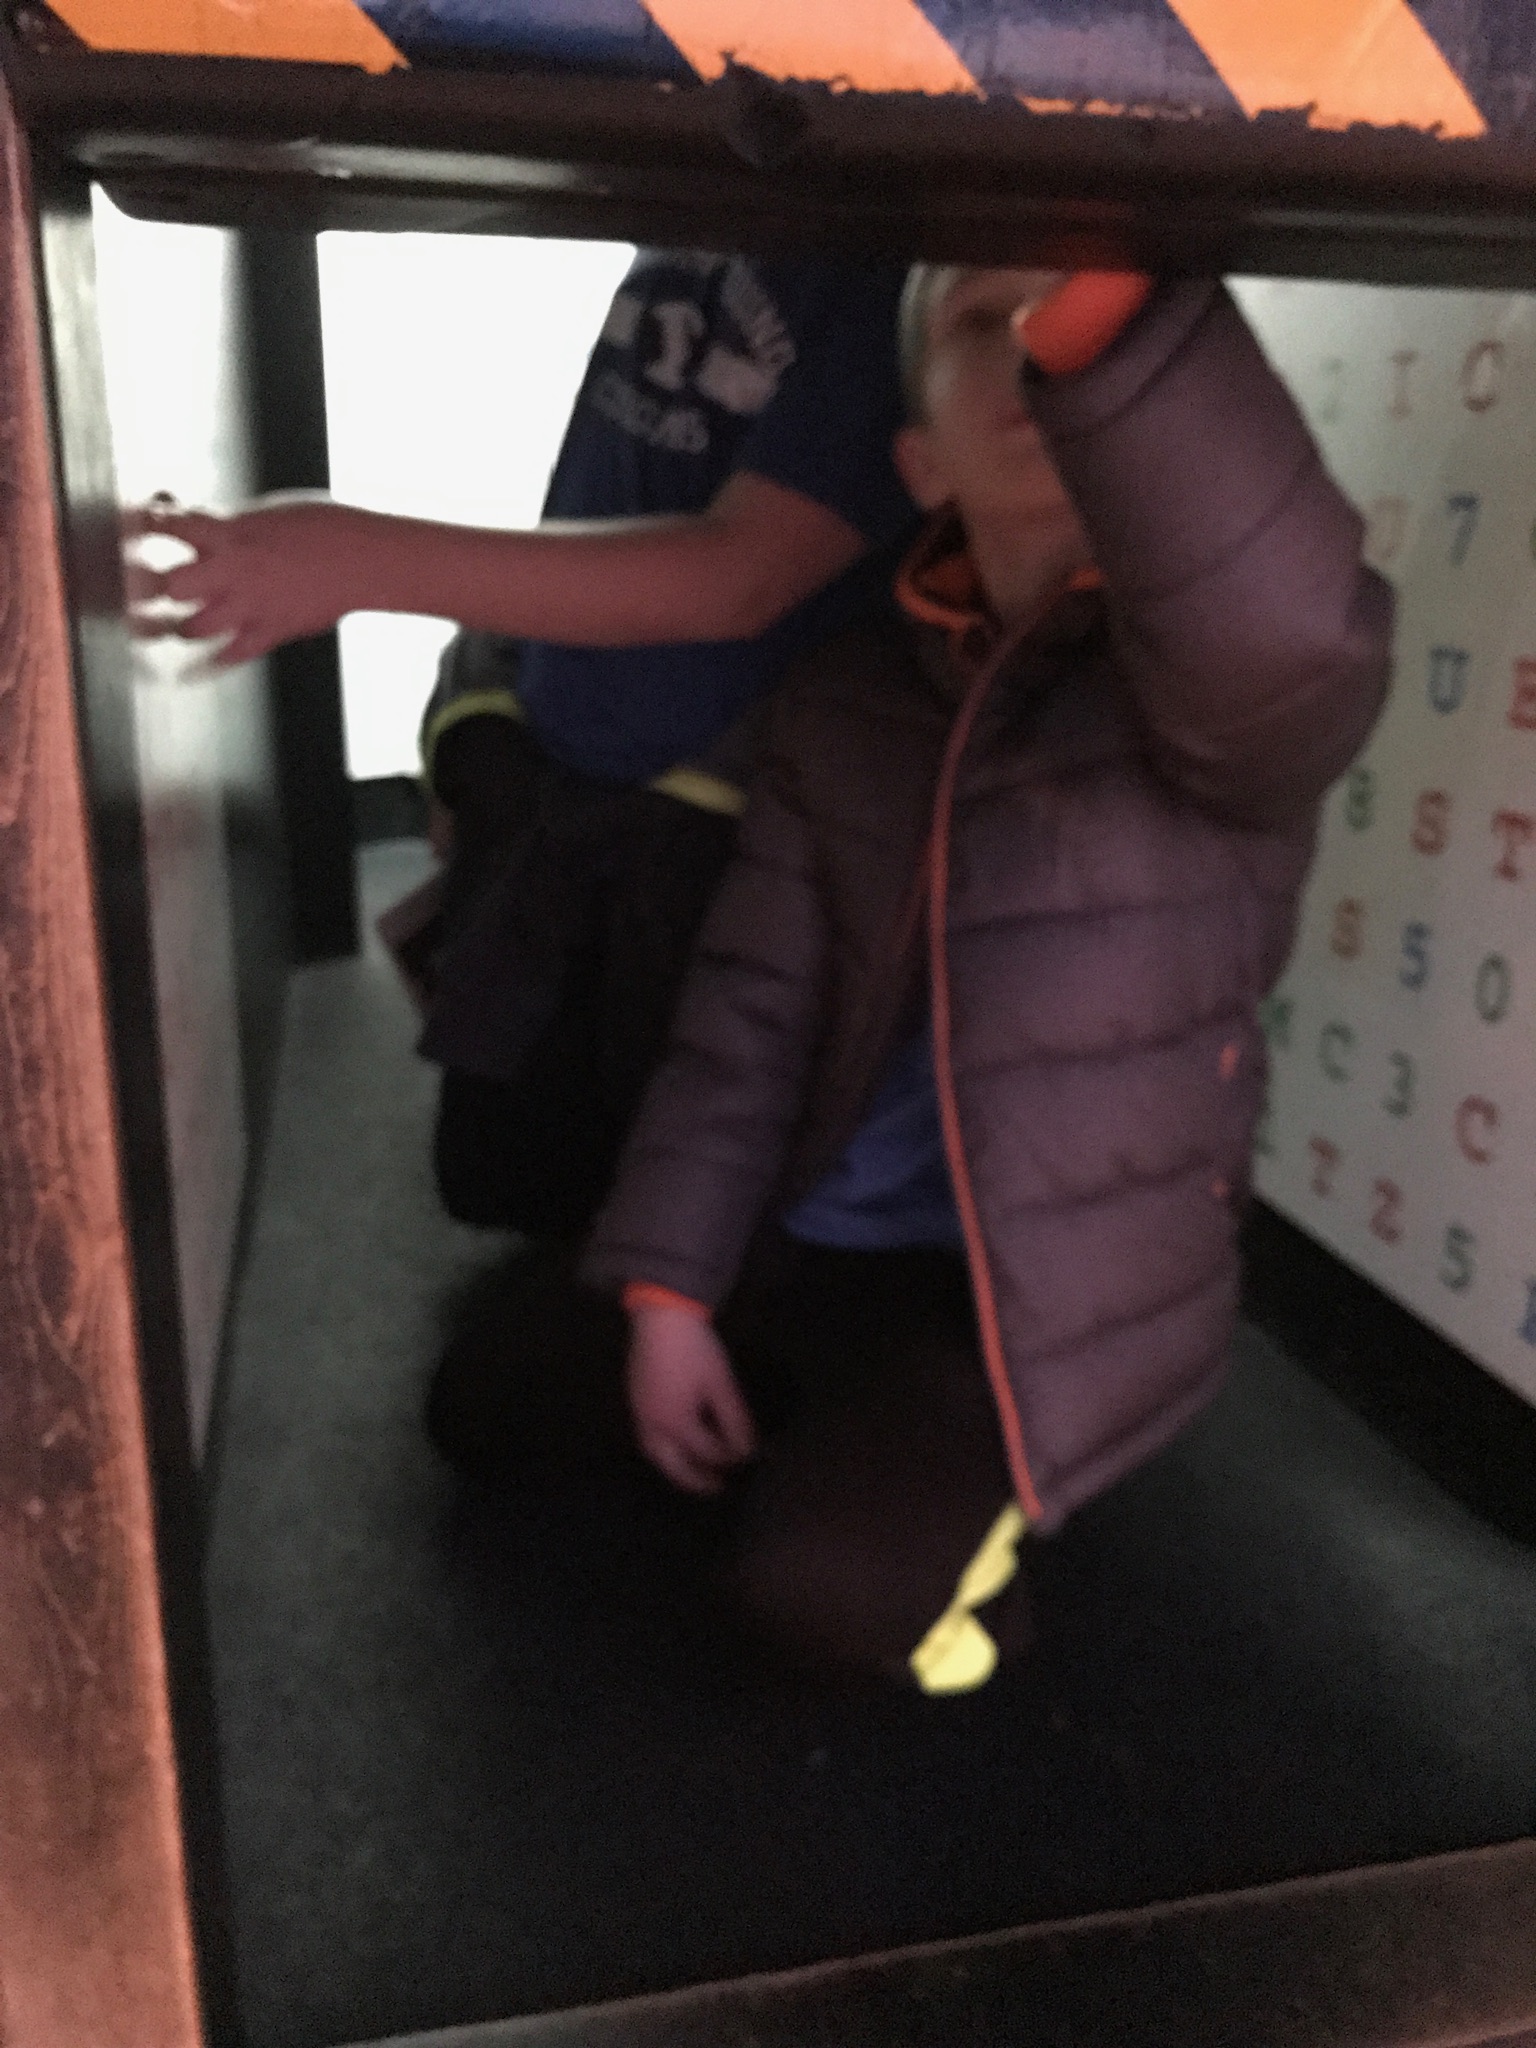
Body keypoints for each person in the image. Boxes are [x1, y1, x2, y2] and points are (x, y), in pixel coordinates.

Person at [559, 265, 1392, 1694]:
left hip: (1030, 1293)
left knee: (828, 1586)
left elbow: (1289, 627)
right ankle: (815, 1413)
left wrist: (1109, 325)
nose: (1022, 347)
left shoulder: (1213, 713)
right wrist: (669, 1297)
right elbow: (747, 1021)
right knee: (500, 1397)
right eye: (974, 324)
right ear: (920, 464)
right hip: (819, 1233)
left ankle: (963, 1514)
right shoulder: (847, 700)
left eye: (1047, 311)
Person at [139, 250, 917, 1238]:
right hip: (564, 758)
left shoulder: (873, 265)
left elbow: (742, 577)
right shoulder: (696, 216)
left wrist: (352, 557)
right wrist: (479, 704)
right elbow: (599, 485)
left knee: (669, 1190)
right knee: (494, 1175)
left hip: (718, 821)